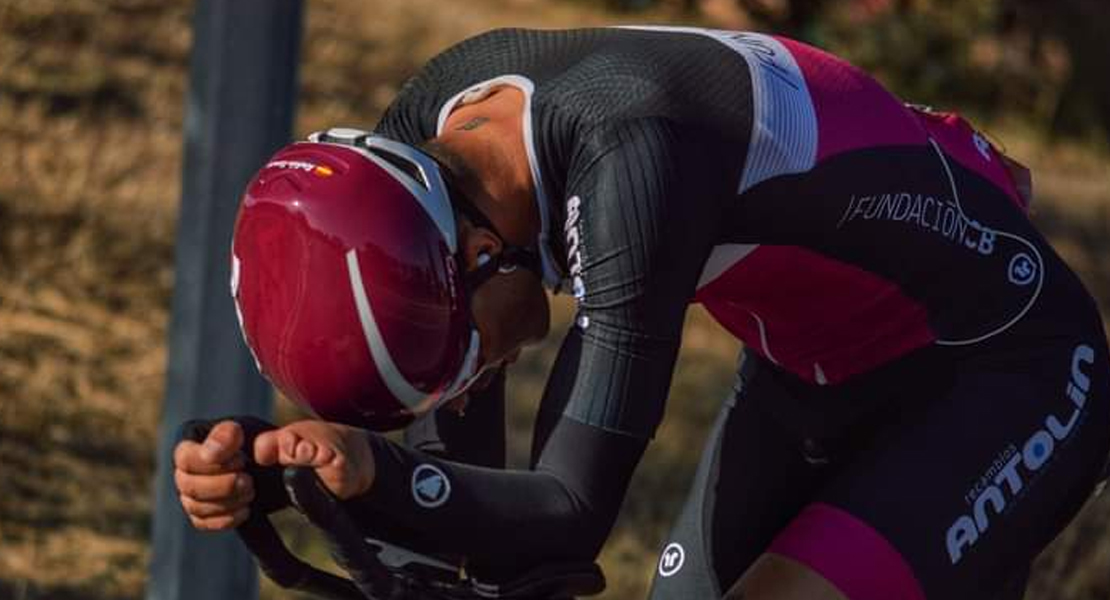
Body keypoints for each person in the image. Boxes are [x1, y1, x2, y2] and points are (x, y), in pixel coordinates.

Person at [172, 26, 1110, 599]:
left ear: (472, 256)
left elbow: (568, 513)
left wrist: (381, 481)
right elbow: (484, 523)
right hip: (812, 369)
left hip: (1003, 368)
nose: (476, 383)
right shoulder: (428, 155)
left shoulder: (634, 159)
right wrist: (290, 473)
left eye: (463, 360)